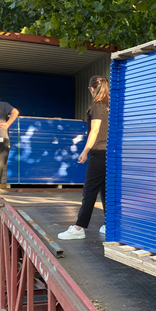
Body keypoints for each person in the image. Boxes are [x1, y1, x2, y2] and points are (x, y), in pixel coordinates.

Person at [58, 75, 109, 240]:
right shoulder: (109, 105)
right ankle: (109, 225)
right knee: (105, 190)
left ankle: (78, 228)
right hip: (109, 153)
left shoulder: (97, 105)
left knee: (89, 191)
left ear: (92, 89)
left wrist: (85, 151)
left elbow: (95, 131)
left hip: (98, 152)